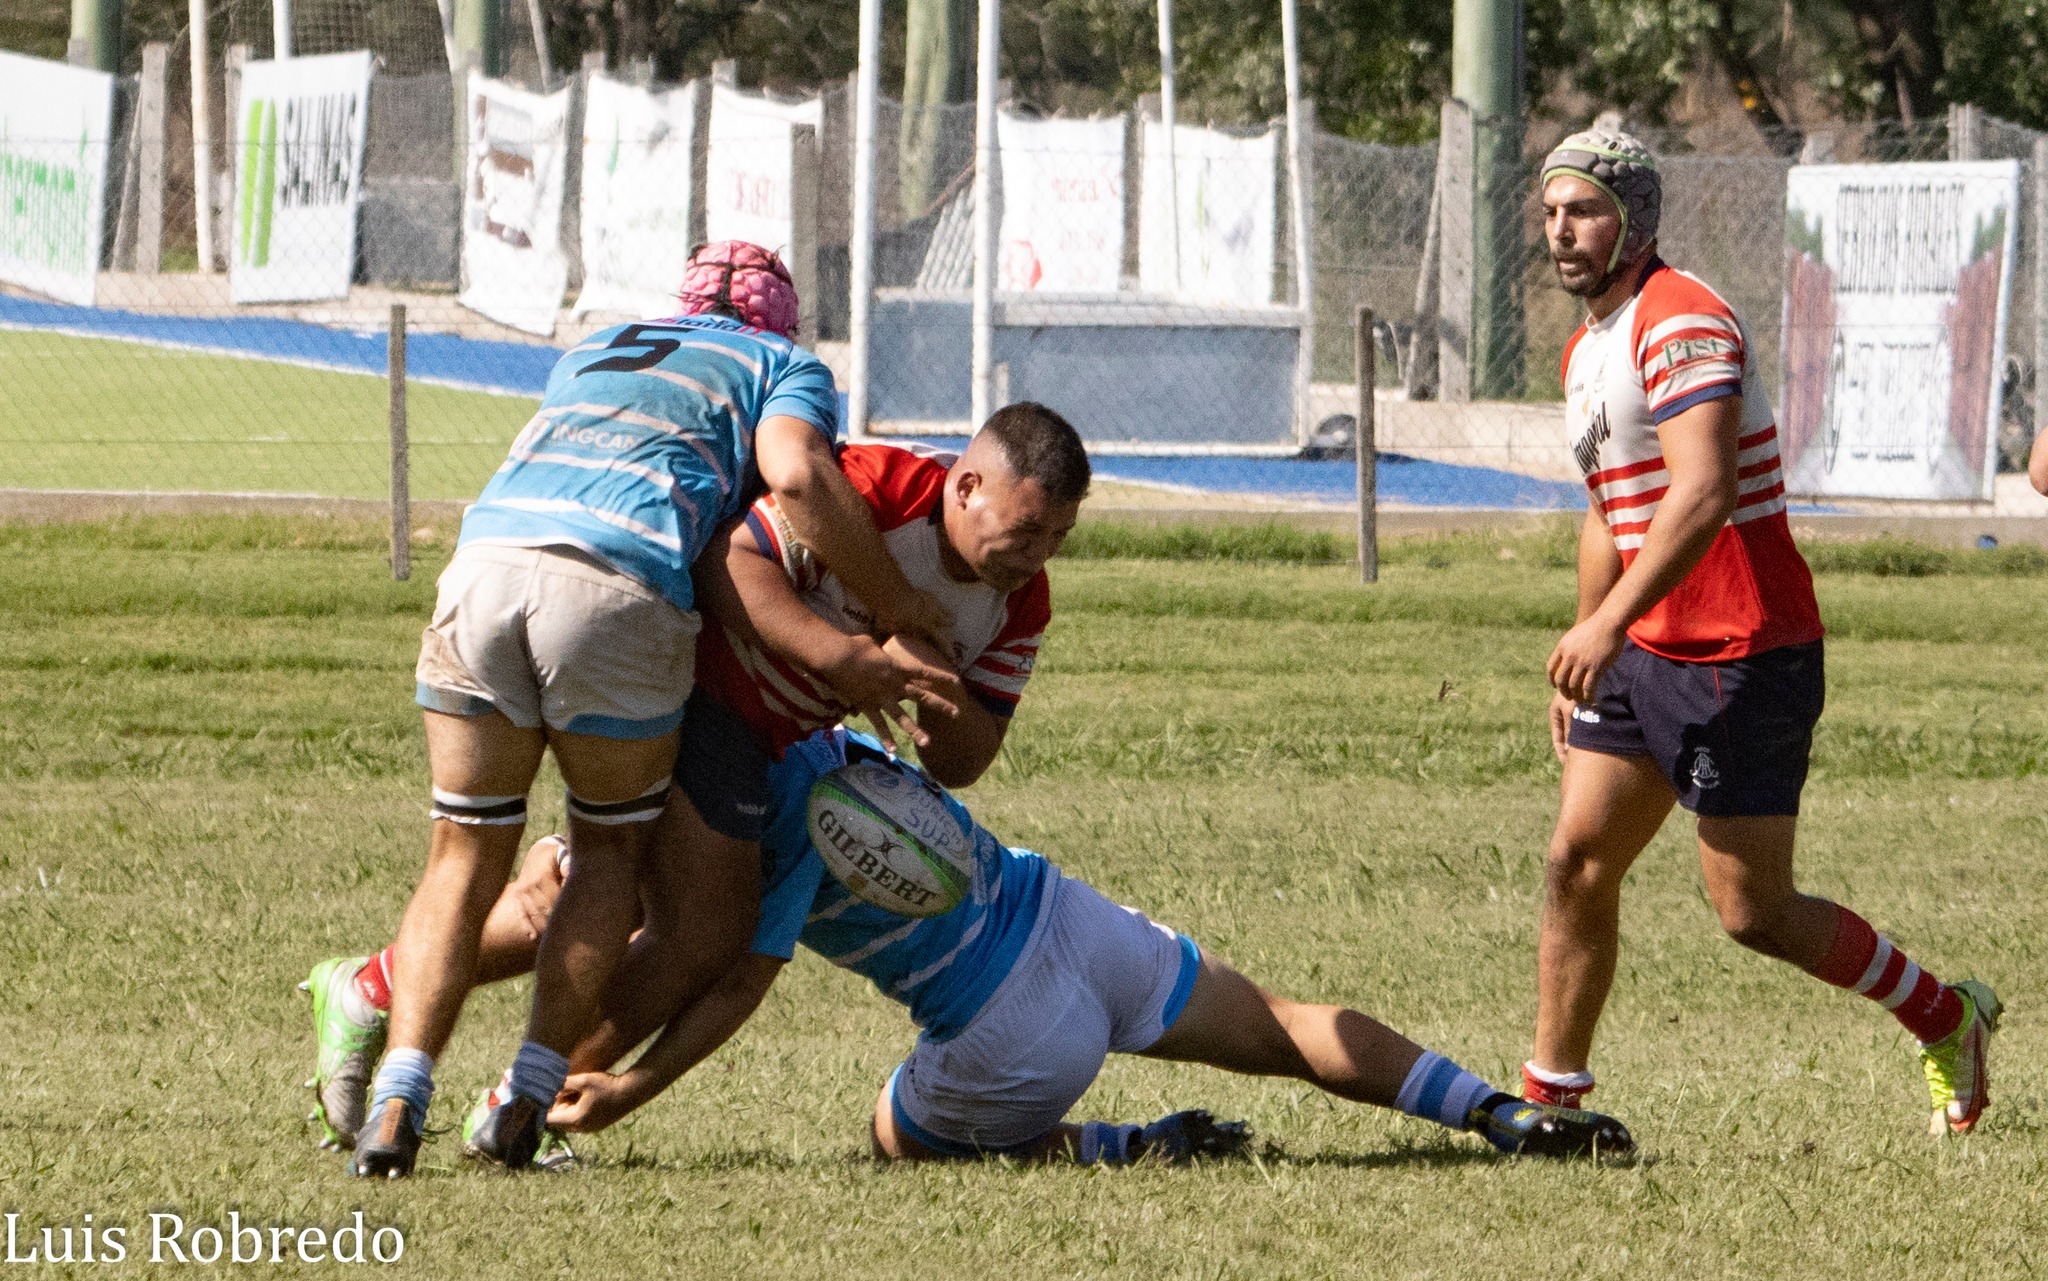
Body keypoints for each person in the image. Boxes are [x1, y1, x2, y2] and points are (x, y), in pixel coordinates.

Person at [307, 416, 1088, 1167]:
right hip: (695, 687)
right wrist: (844, 655)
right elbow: (729, 565)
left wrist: (930, 672)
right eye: (1024, 530)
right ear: (966, 484)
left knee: (610, 899)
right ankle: (521, 1103)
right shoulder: (878, 488)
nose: (1037, 554)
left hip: (766, 739)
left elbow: (969, 755)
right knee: (702, 929)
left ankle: (380, 991)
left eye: (1057, 536)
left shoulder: (1023, 599)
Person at [347, 241, 953, 1178]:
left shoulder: (598, 345)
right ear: (776, 324)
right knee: (608, 857)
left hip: (484, 564)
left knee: (462, 850)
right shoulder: (782, 365)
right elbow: (794, 476)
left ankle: (397, 1098)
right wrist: (898, 613)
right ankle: (525, 1097)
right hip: (616, 585)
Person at [397, 730, 1636, 1167]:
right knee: (1289, 1024)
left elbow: (734, 978)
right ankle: (1487, 1113)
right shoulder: (826, 737)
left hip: (1005, 1033)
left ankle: (1110, 1146)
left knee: (892, 1139)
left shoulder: (751, 816)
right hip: (1077, 926)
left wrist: (632, 1084)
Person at [1526, 127, 1999, 1134]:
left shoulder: (1682, 319)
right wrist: (1585, 640)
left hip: (1740, 648)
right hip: (1638, 651)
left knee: (1752, 912)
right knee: (1575, 859)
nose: (1560, 232)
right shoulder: (1586, 346)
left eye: (1583, 210)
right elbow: (1610, 510)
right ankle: (1551, 1101)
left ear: (1635, 220)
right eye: (1551, 212)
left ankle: (1944, 1014)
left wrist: (1605, 624)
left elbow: (1703, 491)